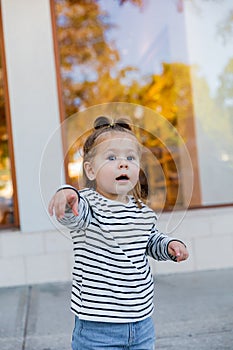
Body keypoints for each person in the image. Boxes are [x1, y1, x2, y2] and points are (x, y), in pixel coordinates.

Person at [48, 116, 189, 350]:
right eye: (112, 157)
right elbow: (75, 217)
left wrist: (168, 245)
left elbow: (150, 239)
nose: (123, 164)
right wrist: (67, 194)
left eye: (130, 158)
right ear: (91, 170)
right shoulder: (88, 204)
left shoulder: (141, 209)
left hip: (142, 322)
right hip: (98, 327)